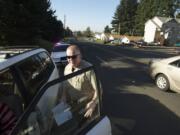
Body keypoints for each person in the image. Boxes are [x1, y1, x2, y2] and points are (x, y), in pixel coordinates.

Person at [64, 45, 98, 118]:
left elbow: (98, 90)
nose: (71, 60)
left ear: (80, 56)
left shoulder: (89, 69)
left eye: (74, 57)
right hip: (74, 105)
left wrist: (93, 103)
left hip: (87, 106)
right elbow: (66, 87)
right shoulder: (66, 68)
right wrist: (64, 101)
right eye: (68, 57)